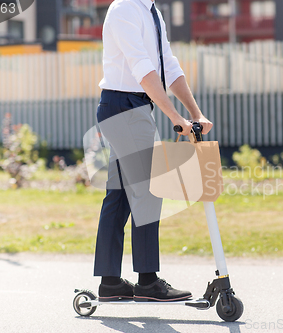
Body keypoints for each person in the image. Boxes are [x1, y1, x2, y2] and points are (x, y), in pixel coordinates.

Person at [93, 0, 213, 302]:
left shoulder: (152, 11)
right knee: (148, 190)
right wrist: (176, 118)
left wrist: (195, 114)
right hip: (123, 106)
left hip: (132, 108)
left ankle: (110, 282)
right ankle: (147, 282)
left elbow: (168, 66)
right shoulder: (124, 9)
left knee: (120, 194)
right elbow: (142, 68)